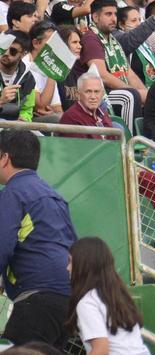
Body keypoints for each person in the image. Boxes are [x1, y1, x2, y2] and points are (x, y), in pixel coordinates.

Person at [0, 129, 77, 346]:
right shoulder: (55, 195)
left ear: (5, 158)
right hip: (68, 299)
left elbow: (3, 244)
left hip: (38, 297)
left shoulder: (13, 192)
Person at [66, 237, 149, 354]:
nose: (67, 268)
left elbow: (101, 349)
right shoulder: (117, 295)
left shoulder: (87, 302)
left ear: (83, 265)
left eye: (70, 261)